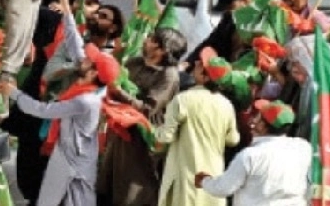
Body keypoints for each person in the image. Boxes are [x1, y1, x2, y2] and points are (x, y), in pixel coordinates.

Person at [0, 42, 118, 206]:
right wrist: (68, 17)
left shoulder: (85, 101)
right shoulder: (90, 91)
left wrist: (14, 93)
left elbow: (43, 110)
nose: (84, 59)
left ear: (92, 73)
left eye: (89, 61)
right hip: (77, 157)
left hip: (70, 159)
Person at [99, 27, 184, 206]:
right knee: (108, 181)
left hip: (143, 138)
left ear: (162, 50)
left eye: (152, 39)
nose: (146, 40)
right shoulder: (135, 63)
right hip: (119, 129)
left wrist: (119, 92)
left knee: (132, 189)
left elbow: (147, 109)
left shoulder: (168, 76)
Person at [156, 48, 240, 206]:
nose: (195, 62)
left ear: (204, 76)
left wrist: (148, 128)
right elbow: (233, 139)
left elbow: (165, 136)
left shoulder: (183, 100)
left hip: (186, 174)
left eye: (200, 64)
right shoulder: (226, 105)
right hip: (213, 175)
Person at [194, 100, 312, 206]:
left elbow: (223, 188)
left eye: (258, 117)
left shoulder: (250, 156)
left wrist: (204, 181)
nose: (254, 120)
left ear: (263, 126)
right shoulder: (303, 148)